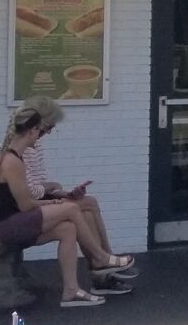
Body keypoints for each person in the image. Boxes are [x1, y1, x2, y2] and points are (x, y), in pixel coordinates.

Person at [0, 99, 135, 307]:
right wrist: (56, 202)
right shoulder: (12, 160)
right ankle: (101, 259)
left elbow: (26, 199)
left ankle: (71, 291)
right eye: (42, 130)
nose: (43, 135)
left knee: (67, 228)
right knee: (72, 208)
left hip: (7, 219)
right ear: (32, 131)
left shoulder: (12, 155)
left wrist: (56, 199)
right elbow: (26, 204)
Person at [19, 104, 118, 262]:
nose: (47, 133)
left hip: (38, 202)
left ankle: (102, 265)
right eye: (47, 127)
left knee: (86, 213)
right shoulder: (22, 149)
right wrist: (53, 186)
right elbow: (32, 192)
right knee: (89, 203)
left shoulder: (35, 145)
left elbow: (40, 185)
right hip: (27, 209)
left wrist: (65, 193)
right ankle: (107, 258)